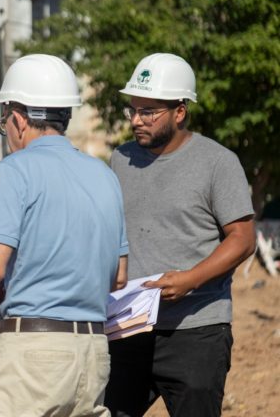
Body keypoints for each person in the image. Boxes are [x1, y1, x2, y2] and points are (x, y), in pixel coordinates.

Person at [0, 54, 129, 416]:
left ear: (17, 118)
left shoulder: (15, 169)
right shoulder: (104, 176)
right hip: (93, 353)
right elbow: (119, 276)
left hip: (32, 354)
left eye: (4, 123)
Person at [105, 53, 256, 417]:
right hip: (127, 327)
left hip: (196, 330)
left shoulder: (217, 162)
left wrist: (191, 280)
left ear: (180, 112)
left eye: (148, 112)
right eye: (132, 110)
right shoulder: (120, 160)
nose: (136, 120)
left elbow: (243, 238)